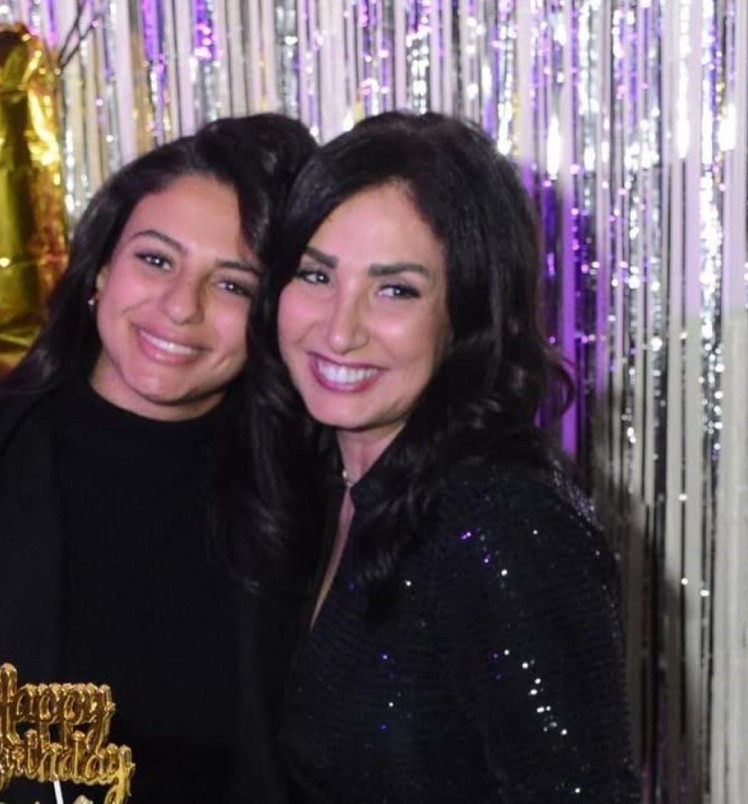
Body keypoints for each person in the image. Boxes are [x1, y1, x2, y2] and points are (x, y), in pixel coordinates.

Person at [0, 113, 316, 803]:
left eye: (232, 285)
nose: (180, 307)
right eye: (155, 260)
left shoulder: (308, 498)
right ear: (99, 268)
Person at [244, 111, 639, 802]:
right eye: (315, 276)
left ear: (466, 317)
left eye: (395, 290)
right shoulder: (323, 476)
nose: (339, 330)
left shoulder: (501, 522)